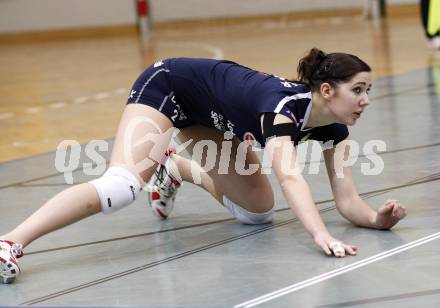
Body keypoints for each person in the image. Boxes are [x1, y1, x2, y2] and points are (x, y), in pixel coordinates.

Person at [0, 48, 407, 284]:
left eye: (368, 90)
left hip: (207, 117)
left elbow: (348, 199)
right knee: (120, 187)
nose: (365, 99)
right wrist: (321, 237)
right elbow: (289, 175)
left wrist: (375, 218)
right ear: (326, 90)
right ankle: (11, 242)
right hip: (169, 87)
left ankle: (174, 169)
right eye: (358, 89)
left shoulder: (333, 127)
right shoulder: (283, 110)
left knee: (256, 212)